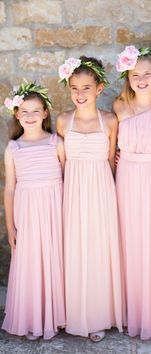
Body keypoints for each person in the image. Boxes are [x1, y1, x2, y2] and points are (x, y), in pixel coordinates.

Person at [57, 56, 124, 342]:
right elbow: (59, 163)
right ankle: (74, 313)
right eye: (74, 88)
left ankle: (99, 315)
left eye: (86, 87)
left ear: (99, 88)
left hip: (101, 190)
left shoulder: (110, 120)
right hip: (73, 190)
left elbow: (111, 161)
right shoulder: (62, 121)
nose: (80, 94)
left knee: (98, 250)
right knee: (74, 249)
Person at [113, 45, 151, 340]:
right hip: (127, 178)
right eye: (135, 75)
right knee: (130, 240)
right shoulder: (119, 106)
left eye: (147, 74)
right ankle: (131, 311)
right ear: (127, 76)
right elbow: (112, 144)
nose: (141, 79)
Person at [2, 82, 66, 340]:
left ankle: (58, 315)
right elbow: (9, 189)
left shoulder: (55, 142)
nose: (30, 116)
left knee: (55, 256)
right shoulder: (13, 148)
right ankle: (33, 318)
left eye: (36, 111)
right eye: (25, 111)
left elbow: (69, 175)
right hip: (27, 209)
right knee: (31, 260)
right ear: (17, 114)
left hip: (54, 205)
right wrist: (10, 227)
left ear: (45, 113)